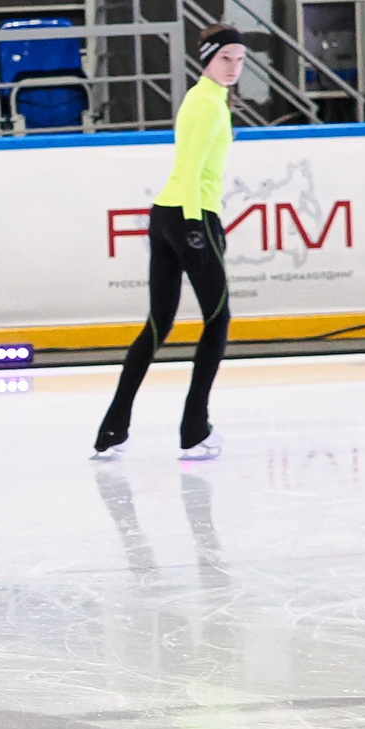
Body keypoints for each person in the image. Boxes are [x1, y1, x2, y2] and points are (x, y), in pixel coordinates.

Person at [93, 25, 246, 460]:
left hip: (166, 216)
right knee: (217, 320)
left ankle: (112, 428)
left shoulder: (207, 99)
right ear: (207, 59)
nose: (233, 68)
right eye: (225, 59)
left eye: (239, 59)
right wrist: (198, 228)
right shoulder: (206, 104)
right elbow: (194, 167)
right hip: (188, 216)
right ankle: (195, 428)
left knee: (159, 324)